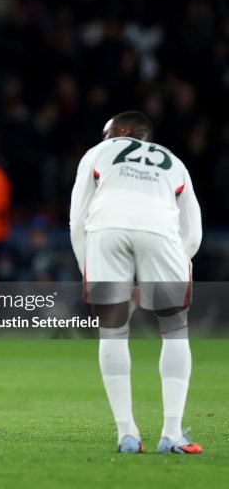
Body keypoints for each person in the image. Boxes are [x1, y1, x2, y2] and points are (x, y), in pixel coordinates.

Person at [69, 111, 202, 454]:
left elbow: (78, 214)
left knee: (112, 331)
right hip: (161, 232)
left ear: (124, 131)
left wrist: (88, 265)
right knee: (175, 330)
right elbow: (193, 229)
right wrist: (173, 263)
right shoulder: (174, 162)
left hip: (106, 229)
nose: (105, 138)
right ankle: (171, 434)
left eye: (107, 132)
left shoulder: (100, 152)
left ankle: (126, 433)